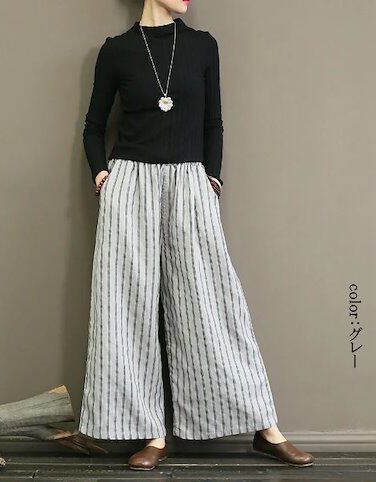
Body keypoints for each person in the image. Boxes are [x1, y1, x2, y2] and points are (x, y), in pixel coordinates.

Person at [78, 0, 315, 471]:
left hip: (190, 182)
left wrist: (213, 178)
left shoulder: (203, 47)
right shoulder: (117, 51)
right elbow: (92, 127)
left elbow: (213, 122)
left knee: (212, 302)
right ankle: (152, 434)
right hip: (130, 184)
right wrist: (101, 173)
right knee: (125, 308)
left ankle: (266, 428)